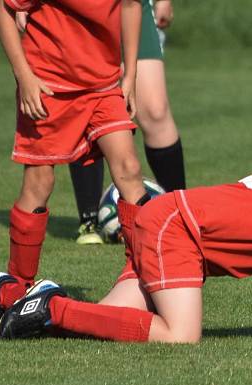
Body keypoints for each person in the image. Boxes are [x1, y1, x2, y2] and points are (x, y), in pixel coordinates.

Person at [0, 101, 252, 344]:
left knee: (103, 322)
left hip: (169, 221)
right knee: (180, 336)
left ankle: (9, 295)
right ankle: (51, 307)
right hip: (175, 230)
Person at [0, 0, 149, 312]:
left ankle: (145, 280)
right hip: (48, 86)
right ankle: (18, 287)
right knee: (39, 183)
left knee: (130, 169)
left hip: (103, 86)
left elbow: (132, 6)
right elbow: (5, 7)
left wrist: (130, 73)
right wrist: (24, 75)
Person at [67, 0, 185, 245]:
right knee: (87, 102)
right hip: (73, 7)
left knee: (155, 110)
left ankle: (181, 214)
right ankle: (89, 220)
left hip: (132, 4)